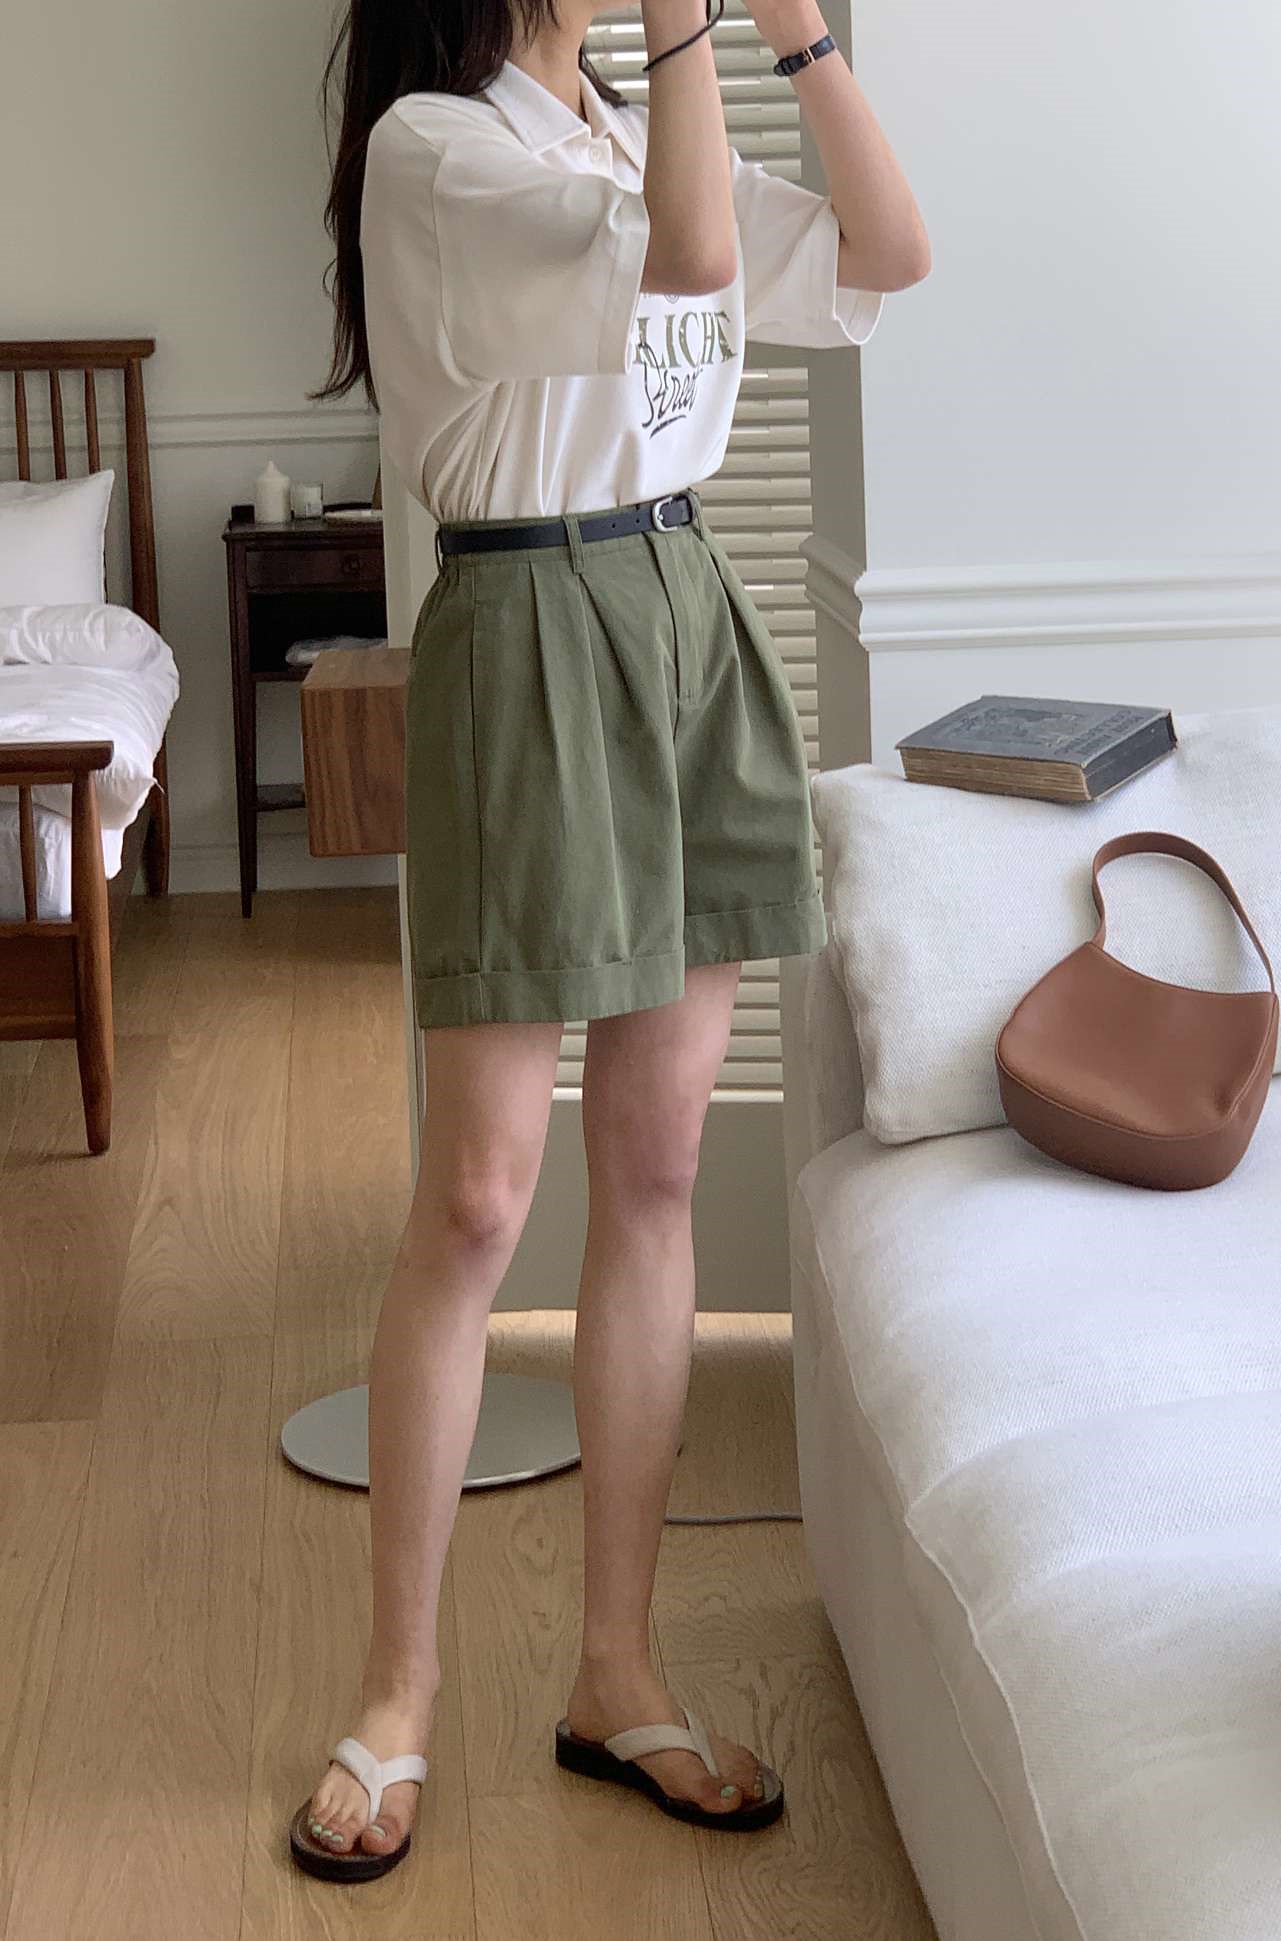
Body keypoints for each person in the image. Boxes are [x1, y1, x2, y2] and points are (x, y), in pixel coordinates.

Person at [291, 0, 929, 1882]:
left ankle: (616, 1672)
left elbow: (891, 252)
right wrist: (691, 31)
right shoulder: (438, 148)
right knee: (482, 1194)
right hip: (523, 619)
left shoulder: (632, 133)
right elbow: (698, 260)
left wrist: (796, 35)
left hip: (682, 603)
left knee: (654, 1166)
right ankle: (398, 1688)